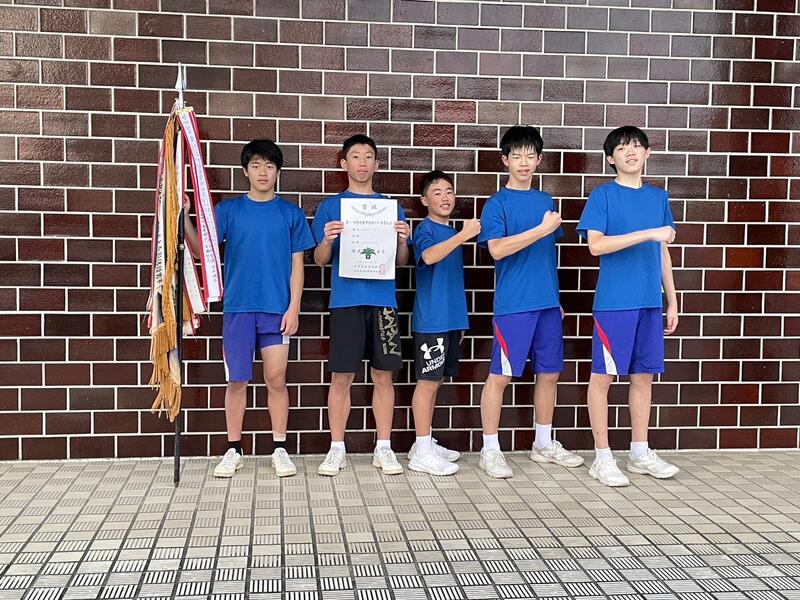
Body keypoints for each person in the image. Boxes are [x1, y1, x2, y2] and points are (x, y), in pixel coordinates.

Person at [184, 139, 315, 478]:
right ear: (245, 171)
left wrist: (294, 308)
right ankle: (233, 449)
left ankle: (280, 448)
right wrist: (183, 219)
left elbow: (297, 265)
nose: (263, 172)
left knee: (276, 378)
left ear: (278, 171)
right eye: (256, 165)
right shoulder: (229, 211)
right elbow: (200, 252)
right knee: (237, 380)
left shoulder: (291, 214)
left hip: (276, 310)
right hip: (238, 309)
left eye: (269, 166)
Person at [476, 125, 584, 479]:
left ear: (539, 160)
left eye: (530, 156)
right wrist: (541, 229)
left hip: (547, 304)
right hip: (514, 305)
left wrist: (555, 298)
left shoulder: (545, 202)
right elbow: (496, 249)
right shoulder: (496, 204)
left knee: (549, 373)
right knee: (501, 375)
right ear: (505, 160)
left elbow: (547, 257)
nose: (523, 162)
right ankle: (490, 450)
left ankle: (543, 443)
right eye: (516, 156)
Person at [576, 125, 680, 487]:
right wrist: (648, 233)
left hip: (649, 302)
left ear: (647, 153)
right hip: (615, 302)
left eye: (637, 146)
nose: (630, 152)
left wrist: (672, 299)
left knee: (643, 376)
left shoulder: (658, 198)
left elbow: (662, 252)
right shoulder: (603, 195)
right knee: (603, 377)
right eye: (622, 148)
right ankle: (603, 457)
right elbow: (596, 245)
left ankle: (639, 452)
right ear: (610, 158)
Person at [311, 134, 411, 477]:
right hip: (346, 301)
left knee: (384, 375)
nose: (363, 162)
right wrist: (327, 240)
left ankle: (384, 447)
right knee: (342, 376)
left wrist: (402, 240)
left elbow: (401, 261)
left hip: (384, 302)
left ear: (377, 164)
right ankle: (336, 447)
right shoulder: (331, 207)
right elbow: (319, 260)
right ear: (344, 163)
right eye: (355, 156)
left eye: (369, 156)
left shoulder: (390, 208)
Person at [408, 170, 480, 476]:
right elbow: (428, 256)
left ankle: (423, 444)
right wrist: (463, 235)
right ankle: (422, 451)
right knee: (426, 383)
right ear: (425, 200)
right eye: (437, 193)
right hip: (432, 320)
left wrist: (460, 322)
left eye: (449, 191)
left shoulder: (451, 232)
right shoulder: (424, 229)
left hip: (451, 320)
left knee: (436, 381)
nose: (445, 197)